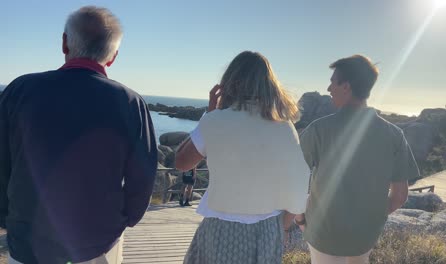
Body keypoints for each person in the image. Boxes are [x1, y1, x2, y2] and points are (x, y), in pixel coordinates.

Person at [0, 6, 158, 264]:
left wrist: (7, 217)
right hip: (95, 244)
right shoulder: (130, 103)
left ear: (65, 43)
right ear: (113, 56)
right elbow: (142, 179)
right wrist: (124, 219)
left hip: (27, 241)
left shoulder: (20, 90)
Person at [175, 51, 310, 264]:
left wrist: (209, 114)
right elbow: (299, 183)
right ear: (269, 85)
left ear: (231, 81)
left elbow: (182, 163)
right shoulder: (285, 127)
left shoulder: (216, 121)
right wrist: (282, 225)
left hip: (222, 228)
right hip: (267, 229)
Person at [295, 55, 420, 264]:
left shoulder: (318, 130)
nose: (328, 88)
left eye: (333, 82)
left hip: (323, 235)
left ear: (346, 87)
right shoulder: (394, 134)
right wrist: (370, 219)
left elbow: (294, 178)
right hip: (364, 238)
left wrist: (300, 219)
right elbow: (399, 196)